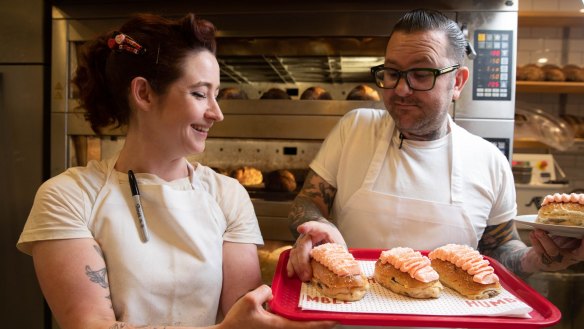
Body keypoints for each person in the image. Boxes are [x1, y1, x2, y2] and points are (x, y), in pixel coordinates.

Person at [16, 13, 335, 329]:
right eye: (199, 93)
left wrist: (300, 269)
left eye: (217, 94)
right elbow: (89, 324)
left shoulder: (227, 195)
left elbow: (249, 314)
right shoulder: (69, 196)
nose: (217, 113)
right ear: (144, 93)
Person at [286, 8, 583, 285]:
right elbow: (307, 203)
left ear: (457, 83)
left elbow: (500, 248)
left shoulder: (489, 161)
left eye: (422, 74)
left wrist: (536, 257)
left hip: (450, 321)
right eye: (392, 73)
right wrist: (317, 227)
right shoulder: (355, 129)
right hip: (348, 312)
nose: (401, 89)